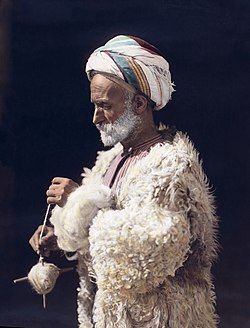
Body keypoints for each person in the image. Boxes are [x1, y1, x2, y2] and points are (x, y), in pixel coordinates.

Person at [29, 35, 219, 328]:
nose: (96, 118)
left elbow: (148, 253)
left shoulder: (170, 166)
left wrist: (79, 202)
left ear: (140, 103)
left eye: (105, 105)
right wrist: (61, 237)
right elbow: (102, 235)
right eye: (95, 105)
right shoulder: (110, 159)